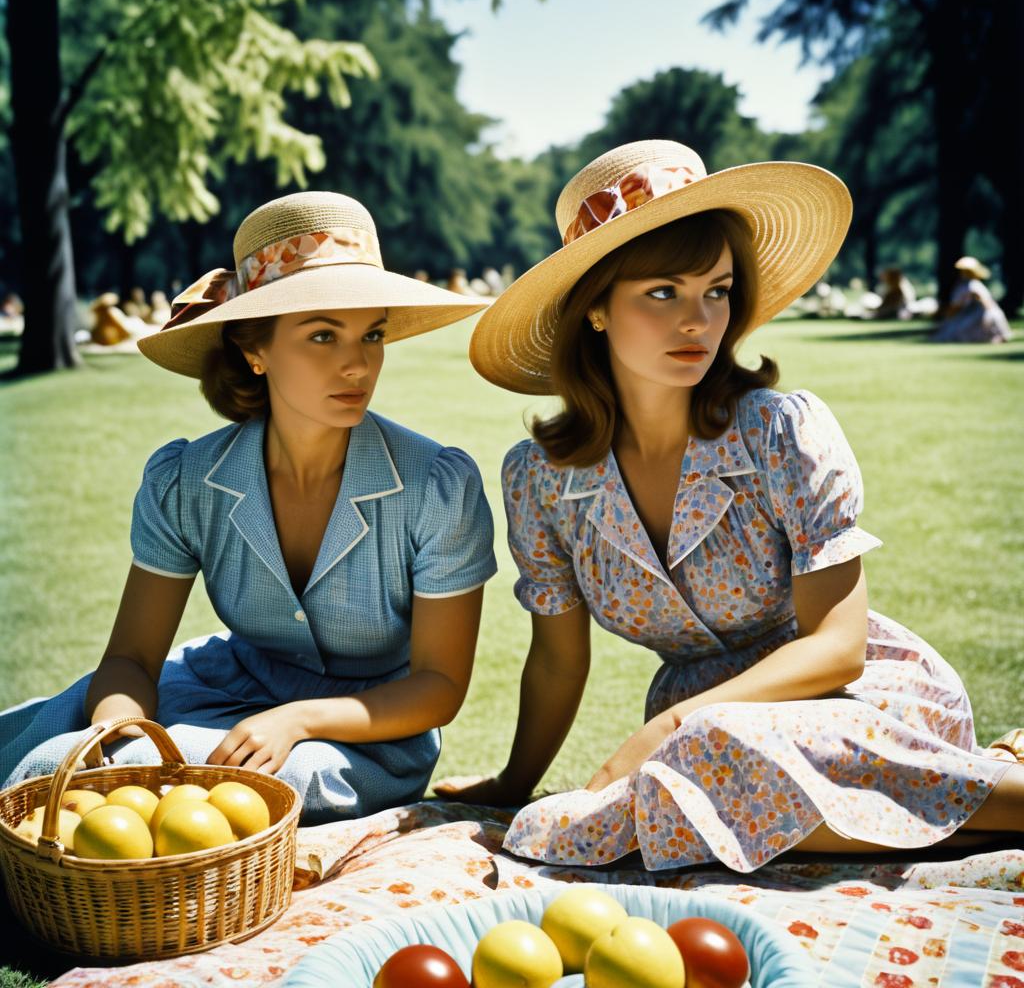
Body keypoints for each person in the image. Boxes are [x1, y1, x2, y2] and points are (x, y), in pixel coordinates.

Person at [435, 140, 1023, 872]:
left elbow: (837, 649)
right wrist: (511, 786)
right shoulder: (539, 480)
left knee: (706, 766)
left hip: (854, 701)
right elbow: (558, 658)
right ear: (594, 310)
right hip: (701, 747)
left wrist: (681, 721)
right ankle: (982, 818)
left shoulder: (782, 431)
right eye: (663, 292)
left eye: (716, 290)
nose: (699, 320)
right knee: (570, 827)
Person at [0, 191, 498, 823]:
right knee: (48, 755)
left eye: (371, 334)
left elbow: (439, 686)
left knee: (235, 784)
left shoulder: (437, 486)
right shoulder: (184, 480)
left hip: (363, 732)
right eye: (323, 335)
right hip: (215, 686)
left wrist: (298, 719)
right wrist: (115, 732)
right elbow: (130, 659)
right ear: (253, 350)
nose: (358, 363)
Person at [933, 256, 1011, 343]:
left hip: (978, 316)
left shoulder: (971, 286)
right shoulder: (970, 286)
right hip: (972, 315)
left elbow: (957, 307)